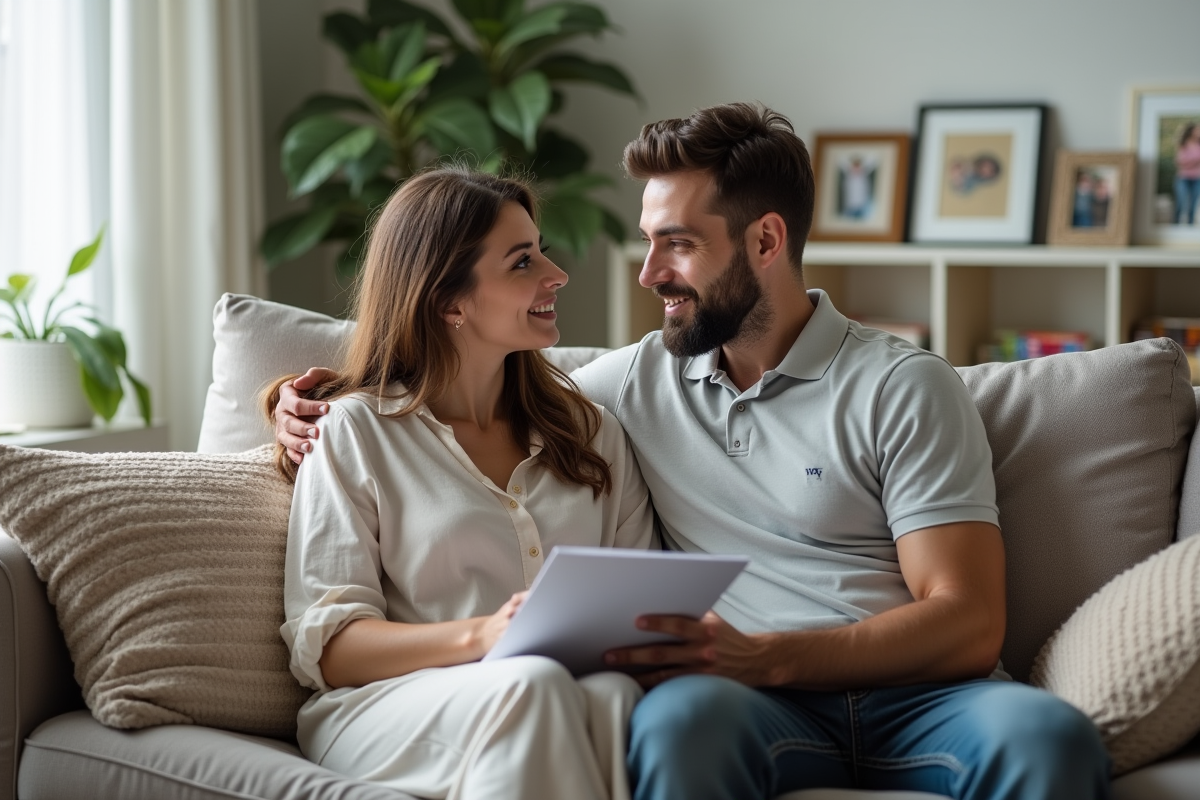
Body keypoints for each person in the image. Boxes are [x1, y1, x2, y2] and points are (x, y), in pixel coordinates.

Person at [275, 104, 1110, 800]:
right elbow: (455, 374)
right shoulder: (623, 391)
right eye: (648, 240)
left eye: (676, 244)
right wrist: (289, 402)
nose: (646, 275)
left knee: (1051, 741)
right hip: (746, 705)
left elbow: (968, 622)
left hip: (923, 698)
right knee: (675, 726)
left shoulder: (903, 386)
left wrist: (770, 655)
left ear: (765, 242)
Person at [266, 167, 657, 800]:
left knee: (610, 695)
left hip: (549, 690)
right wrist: (486, 636)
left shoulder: (592, 434)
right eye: (522, 263)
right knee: (532, 683)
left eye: (544, 253)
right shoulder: (355, 431)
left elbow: (641, 604)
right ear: (449, 300)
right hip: (384, 706)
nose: (556, 277)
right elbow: (332, 647)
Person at [1175, 122, 1200, 225]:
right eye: (1197, 129)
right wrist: (1195, 161)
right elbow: (1180, 162)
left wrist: (1190, 162)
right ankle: (1175, 224)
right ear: (1191, 131)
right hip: (1183, 177)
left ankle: (1189, 226)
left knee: (1193, 204)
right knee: (1181, 202)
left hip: (1197, 178)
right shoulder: (1183, 144)